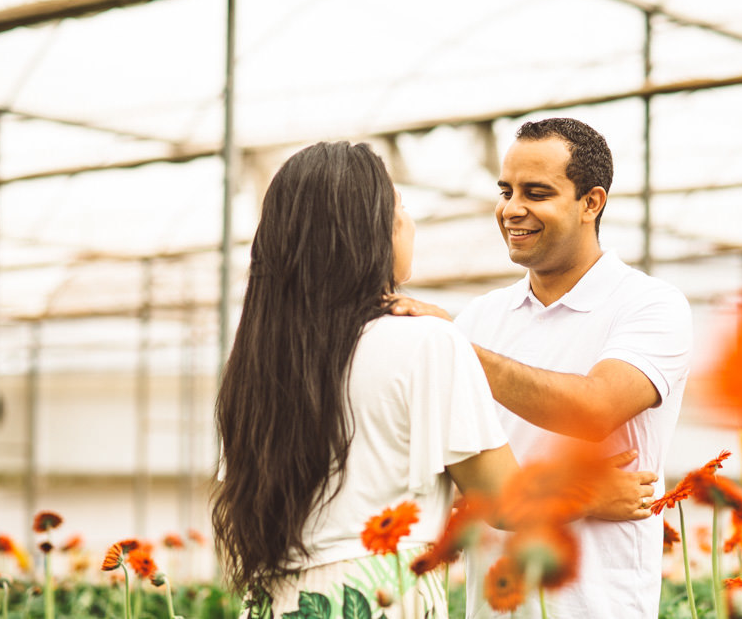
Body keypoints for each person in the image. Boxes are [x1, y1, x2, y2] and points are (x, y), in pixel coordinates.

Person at [211, 141, 655, 619]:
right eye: (401, 208)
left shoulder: (262, 359)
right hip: (374, 595)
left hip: (274, 600)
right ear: (373, 230)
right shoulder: (427, 341)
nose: (409, 224)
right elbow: (506, 501)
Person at [393, 118, 693, 618]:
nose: (512, 209)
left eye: (536, 192)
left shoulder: (649, 305)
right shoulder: (482, 318)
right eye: (505, 190)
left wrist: (454, 347)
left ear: (591, 203)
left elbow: (596, 408)